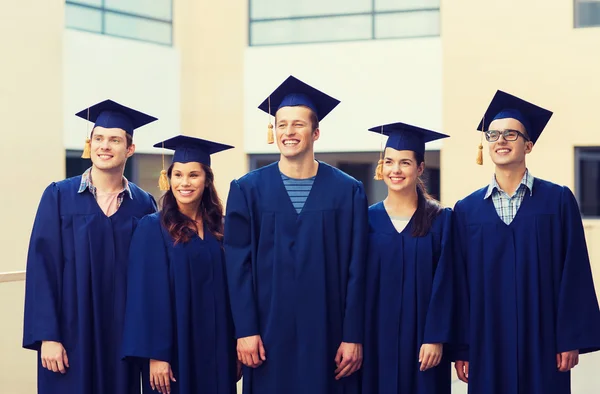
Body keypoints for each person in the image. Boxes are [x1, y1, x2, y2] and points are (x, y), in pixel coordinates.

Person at [223, 75, 368, 394]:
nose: (288, 132)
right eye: (281, 124)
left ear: (316, 132)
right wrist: (245, 330)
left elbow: (358, 269)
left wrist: (353, 334)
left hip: (329, 335)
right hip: (267, 335)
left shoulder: (347, 191)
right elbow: (237, 267)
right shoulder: (247, 190)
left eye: (298, 124)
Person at [453, 90, 600, 394]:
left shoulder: (557, 200)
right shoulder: (466, 210)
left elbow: (573, 273)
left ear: (528, 145)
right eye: (493, 135)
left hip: (543, 340)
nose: (501, 140)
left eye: (511, 134)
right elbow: (458, 284)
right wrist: (462, 347)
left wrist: (568, 338)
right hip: (487, 341)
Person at [23, 99, 158, 394]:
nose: (104, 146)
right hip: (70, 335)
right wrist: (48, 336)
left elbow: (152, 277)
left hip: (122, 336)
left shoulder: (143, 204)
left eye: (114, 140)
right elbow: (42, 268)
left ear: (130, 149)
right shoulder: (59, 196)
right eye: (98, 138)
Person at [122, 135, 240, 394]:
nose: (184, 183)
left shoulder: (221, 227)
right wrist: (156, 356)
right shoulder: (152, 228)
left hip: (217, 348)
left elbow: (235, 289)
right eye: (178, 175)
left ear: (206, 180)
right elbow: (145, 297)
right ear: (169, 179)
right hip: (174, 353)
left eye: (193, 175)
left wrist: (235, 345)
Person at [361, 122, 454, 394]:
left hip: (423, 343)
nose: (396, 170)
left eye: (405, 162)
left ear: (420, 168)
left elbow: (446, 283)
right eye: (389, 162)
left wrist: (436, 337)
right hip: (375, 338)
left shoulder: (440, 220)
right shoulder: (366, 220)